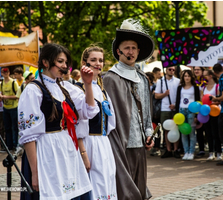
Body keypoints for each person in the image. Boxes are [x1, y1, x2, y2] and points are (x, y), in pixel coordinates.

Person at [18, 43, 99, 199]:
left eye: (66, 62)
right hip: (46, 151)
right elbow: (29, 136)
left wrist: (87, 84)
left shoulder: (65, 87)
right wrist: (35, 172)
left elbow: (88, 111)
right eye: (60, 61)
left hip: (66, 149)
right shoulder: (33, 90)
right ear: (46, 62)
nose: (64, 66)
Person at [103, 18, 154, 200]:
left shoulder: (142, 78)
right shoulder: (110, 78)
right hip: (120, 145)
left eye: (133, 48)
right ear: (118, 51)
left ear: (138, 51)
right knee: (124, 192)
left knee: (139, 189)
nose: (130, 52)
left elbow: (147, 111)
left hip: (140, 144)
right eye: (126, 48)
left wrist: (149, 133)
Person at [76, 45, 117, 200]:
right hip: (89, 143)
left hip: (103, 143)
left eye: (100, 60)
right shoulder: (78, 88)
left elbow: (110, 122)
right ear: (85, 62)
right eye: (93, 60)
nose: (98, 63)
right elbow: (77, 124)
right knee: (94, 181)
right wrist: (83, 153)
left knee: (107, 178)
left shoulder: (102, 89)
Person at [155, 66, 180, 158]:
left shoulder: (177, 81)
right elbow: (156, 96)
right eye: (170, 69)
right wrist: (164, 94)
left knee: (176, 128)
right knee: (166, 129)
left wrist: (175, 105)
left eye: (173, 70)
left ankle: (176, 149)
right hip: (165, 108)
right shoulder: (160, 81)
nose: (172, 71)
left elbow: (180, 95)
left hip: (175, 108)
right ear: (166, 70)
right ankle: (168, 150)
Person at [175, 70, 200, 160]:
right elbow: (178, 101)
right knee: (183, 132)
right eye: (185, 76)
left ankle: (191, 152)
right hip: (181, 111)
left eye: (188, 76)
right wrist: (176, 114)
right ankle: (186, 152)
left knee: (191, 132)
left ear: (191, 77)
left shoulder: (195, 88)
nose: (187, 77)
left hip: (191, 111)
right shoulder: (180, 88)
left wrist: (197, 115)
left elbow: (197, 101)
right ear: (183, 77)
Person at [202, 69, 222, 161]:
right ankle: (211, 152)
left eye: (205, 75)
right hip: (206, 113)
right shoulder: (203, 87)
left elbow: (219, 100)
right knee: (208, 133)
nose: (203, 77)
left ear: (210, 76)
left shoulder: (217, 86)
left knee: (216, 133)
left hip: (215, 112)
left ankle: (219, 152)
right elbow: (202, 100)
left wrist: (212, 103)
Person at [0, 67, 19, 151]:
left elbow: (17, 96)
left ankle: (15, 145)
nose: (5, 73)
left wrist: (6, 97)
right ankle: (9, 146)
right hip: (5, 108)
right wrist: (1, 98)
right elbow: (1, 94)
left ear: (9, 72)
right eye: (4, 72)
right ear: (2, 73)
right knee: (7, 128)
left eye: (7, 72)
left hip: (14, 108)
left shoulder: (13, 82)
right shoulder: (1, 83)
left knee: (15, 128)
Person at [193, 66, 207, 157]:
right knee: (199, 130)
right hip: (196, 108)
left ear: (202, 70)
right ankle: (201, 149)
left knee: (208, 130)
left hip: (206, 108)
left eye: (198, 69)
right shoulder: (193, 82)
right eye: (195, 69)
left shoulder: (206, 81)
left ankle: (212, 150)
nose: (196, 71)